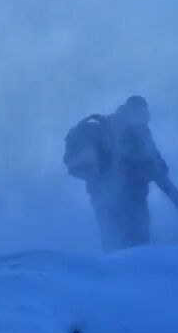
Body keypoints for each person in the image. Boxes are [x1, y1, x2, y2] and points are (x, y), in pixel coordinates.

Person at [63, 95, 167, 251]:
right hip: (127, 196)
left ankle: (117, 269)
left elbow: (159, 167)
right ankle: (128, 270)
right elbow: (160, 167)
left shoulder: (110, 127)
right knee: (135, 243)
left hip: (105, 196)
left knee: (114, 241)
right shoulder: (130, 131)